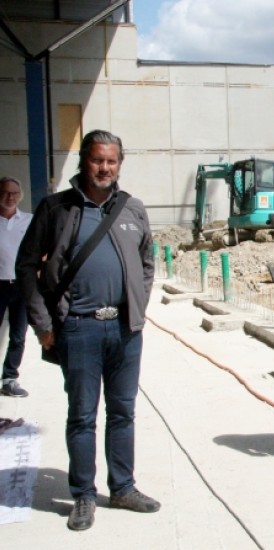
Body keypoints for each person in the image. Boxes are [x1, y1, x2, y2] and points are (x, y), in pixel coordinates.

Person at [16, 130, 159, 530]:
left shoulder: (133, 209)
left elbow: (148, 262)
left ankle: (123, 487)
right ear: (84, 161)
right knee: (82, 416)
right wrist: (42, 324)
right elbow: (26, 266)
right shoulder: (56, 208)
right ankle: (82, 494)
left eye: (112, 161)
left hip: (126, 331)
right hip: (78, 329)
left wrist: (139, 306)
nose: (105, 168)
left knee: (123, 412)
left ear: (120, 164)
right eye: (98, 160)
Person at [0, 176, 32, 397]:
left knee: (18, 335)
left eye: (14, 193)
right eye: (5, 192)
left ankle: (10, 379)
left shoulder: (29, 221)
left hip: (22, 286)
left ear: (20, 195)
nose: (10, 197)